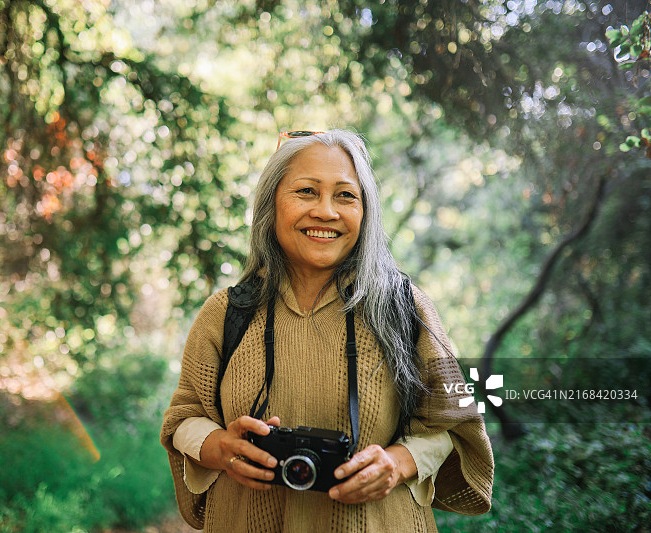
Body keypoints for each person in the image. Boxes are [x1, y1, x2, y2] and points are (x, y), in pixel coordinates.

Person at [160, 129, 493, 532]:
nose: (326, 212)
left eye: (345, 196)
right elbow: (183, 418)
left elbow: (455, 424)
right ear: (271, 206)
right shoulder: (227, 312)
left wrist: (397, 463)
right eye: (306, 191)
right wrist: (220, 449)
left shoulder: (405, 309)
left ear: (365, 212)